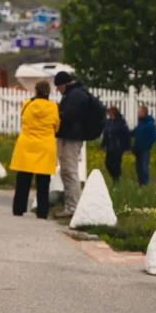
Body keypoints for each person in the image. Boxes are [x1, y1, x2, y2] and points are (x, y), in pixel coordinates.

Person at [10, 81, 60, 218]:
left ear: (36, 91)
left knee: (23, 180)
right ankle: (42, 212)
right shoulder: (53, 107)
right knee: (43, 181)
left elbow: (23, 119)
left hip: (27, 144)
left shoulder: (27, 104)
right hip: (45, 146)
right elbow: (56, 125)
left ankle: (18, 209)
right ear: (48, 93)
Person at [53, 71, 91, 217]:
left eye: (58, 86)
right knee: (67, 171)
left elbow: (68, 117)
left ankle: (73, 208)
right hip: (70, 137)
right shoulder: (76, 94)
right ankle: (71, 206)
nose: (57, 90)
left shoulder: (75, 96)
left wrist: (57, 113)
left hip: (71, 138)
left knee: (70, 172)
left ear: (64, 84)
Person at [101, 105, 130, 184]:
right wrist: (103, 145)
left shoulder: (120, 122)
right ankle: (114, 177)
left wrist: (127, 147)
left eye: (109, 112)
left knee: (116, 164)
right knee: (108, 163)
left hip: (118, 147)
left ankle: (117, 179)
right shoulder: (108, 122)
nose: (108, 114)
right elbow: (106, 134)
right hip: (110, 146)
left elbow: (126, 134)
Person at [131, 106, 156, 186]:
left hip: (145, 149)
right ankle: (140, 183)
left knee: (144, 166)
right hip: (138, 148)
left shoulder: (149, 124)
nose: (138, 113)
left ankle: (145, 184)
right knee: (138, 167)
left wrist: (147, 145)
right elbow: (135, 132)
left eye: (139, 112)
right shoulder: (140, 123)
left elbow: (153, 136)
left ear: (144, 113)